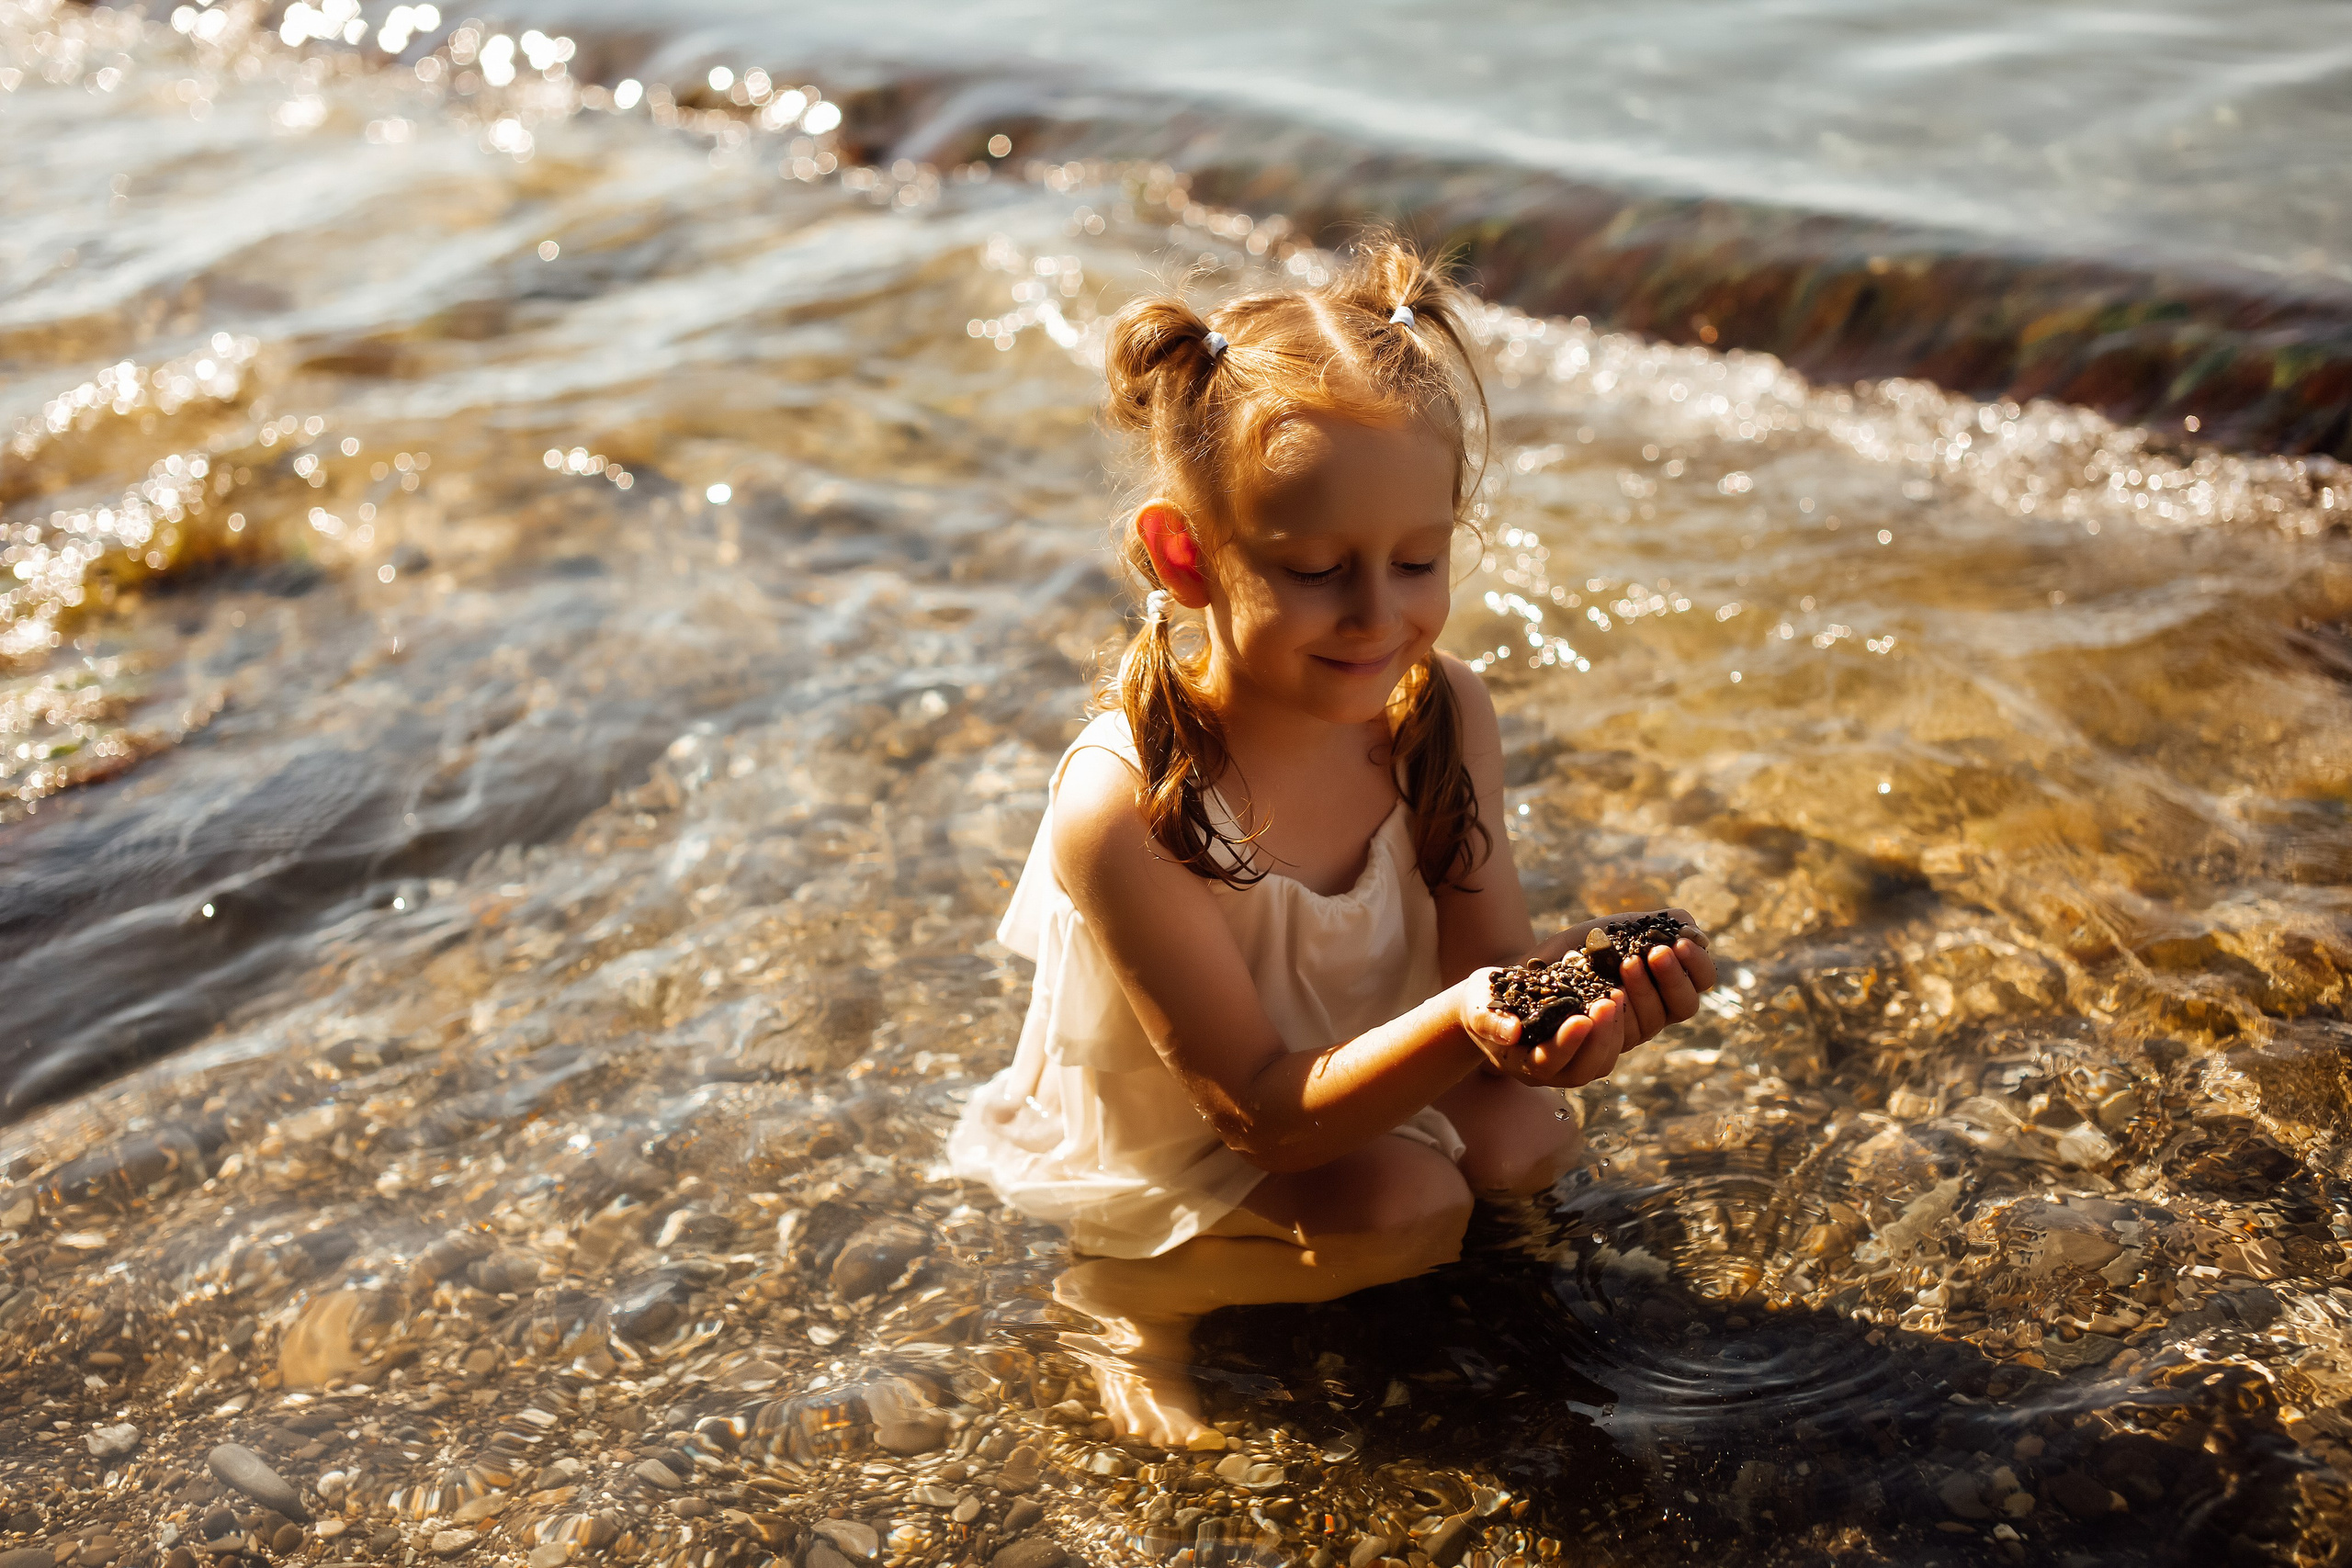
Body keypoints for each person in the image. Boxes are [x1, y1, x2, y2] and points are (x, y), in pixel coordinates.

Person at [948, 236, 1718, 1448]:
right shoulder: (1132, 803)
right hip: (1213, 1136)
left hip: (1376, 1068)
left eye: (1417, 561)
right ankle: (1134, 1292)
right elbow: (1257, 1112)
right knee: (1406, 1209)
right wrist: (1468, 1021)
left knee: (1529, 1139)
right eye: (1314, 570)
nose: (1377, 615)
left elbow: (1489, 964)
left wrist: (1578, 1008)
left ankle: (1465, 1284)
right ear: (1186, 555)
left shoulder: (1442, 712)